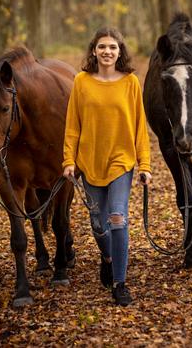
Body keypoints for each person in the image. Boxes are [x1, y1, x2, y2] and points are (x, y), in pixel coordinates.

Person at [62, 27, 152, 306]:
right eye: (102, 47)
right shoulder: (81, 82)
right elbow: (72, 126)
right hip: (90, 161)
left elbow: (140, 127)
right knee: (98, 223)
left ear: (119, 51)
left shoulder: (130, 83)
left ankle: (119, 282)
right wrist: (68, 160)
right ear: (94, 51)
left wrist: (145, 164)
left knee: (117, 217)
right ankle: (108, 256)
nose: (107, 51)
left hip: (121, 161)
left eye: (112, 47)